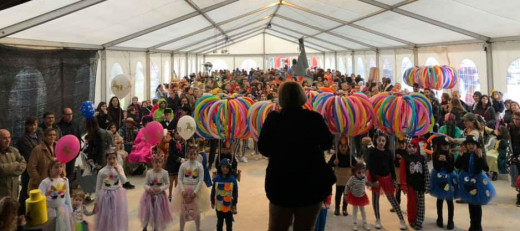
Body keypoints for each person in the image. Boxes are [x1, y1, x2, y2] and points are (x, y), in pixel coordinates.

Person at [258, 81, 335, 231]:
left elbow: (263, 148)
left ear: (281, 98)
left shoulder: (274, 119)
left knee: (277, 228)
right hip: (311, 183)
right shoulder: (314, 118)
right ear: (301, 96)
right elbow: (327, 143)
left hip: (281, 183)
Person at [366, 132, 407, 230]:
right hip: (375, 178)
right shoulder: (372, 152)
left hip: (387, 178)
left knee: (393, 200)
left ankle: (401, 220)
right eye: (379, 140)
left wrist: (394, 179)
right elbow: (370, 166)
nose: (381, 142)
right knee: (375, 200)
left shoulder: (388, 152)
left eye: (383, 140)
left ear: (386, 142)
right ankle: (378, 220)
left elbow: (391, 167)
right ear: (376, 140)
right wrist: (374, 180)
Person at [455, 135, 496, 231]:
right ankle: (472, 224)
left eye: (473, 144)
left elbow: (486, 168)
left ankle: (478, 226)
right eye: (469, 144)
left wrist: (480, 158)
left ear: (476, 145)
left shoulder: (479, 155)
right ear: (466, 145)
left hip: (478, 182)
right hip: (466, 180)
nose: (471, 146)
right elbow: (457, 165)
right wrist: (460, 156)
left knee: (477, 205)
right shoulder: (464, 155)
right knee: (470, 204)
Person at [172, 143, 210, 231]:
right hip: (184, 190)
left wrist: (195, 192)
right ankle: (181, 228)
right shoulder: (183, 165)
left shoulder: (199, 166)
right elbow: (180, 179)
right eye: (190, 154)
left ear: (197, 155)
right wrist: (182, 190)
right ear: (187, 154)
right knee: (183, 211)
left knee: (196, 211)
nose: (192, 156)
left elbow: (201, 180)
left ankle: (198, 228)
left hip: (196, 190)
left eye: (194, 154)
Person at [94, 150, 129, 231]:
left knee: (117, 215)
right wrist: (96, 202)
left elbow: (124, 181)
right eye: (109, 158)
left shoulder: (119, 168)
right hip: (106, 195)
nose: (112, 161)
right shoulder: (102, 171)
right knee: (107, 216)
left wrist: (119, 172)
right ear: (106, 159)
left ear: (116, 158)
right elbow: (98, 187)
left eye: (114, 158)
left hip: (117, 194)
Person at [400, 139, 430, 230]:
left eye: (414, 147)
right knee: (411, 204)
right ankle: (412, 220)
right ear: (407, 147)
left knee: (421, 204)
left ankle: (419, 220)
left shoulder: (422, 158)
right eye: (409, 147)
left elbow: (426, 172)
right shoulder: (405, 159)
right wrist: (404, 185)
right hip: (410, 185)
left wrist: (427, 185)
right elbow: (403, 173)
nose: (412, 149)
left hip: (420, 185)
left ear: (417, 147)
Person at [139, 153, 173, 231]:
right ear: (152, 162)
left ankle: (156, 228)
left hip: (160, 197)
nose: (157, 164)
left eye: (159, 162)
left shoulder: (164, 173)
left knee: (157, 213)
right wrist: (148, 188)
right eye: (156, 162)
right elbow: (145, 184)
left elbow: (168, 184)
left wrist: (161, 188)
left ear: (162, 163)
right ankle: (145, 226)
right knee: (147, 212)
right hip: (149, 196)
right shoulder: (149, 172)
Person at [16, 117, 42, 215]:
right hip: (28, 169)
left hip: (38, 168)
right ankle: (22, 212)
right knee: (26, 191)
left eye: (35, 124)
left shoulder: (39, 135)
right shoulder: (23, 139)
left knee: (35, 190)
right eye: (31, 125)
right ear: (26, 126)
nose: (33, 127)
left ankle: (33, 211)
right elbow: (30, 155)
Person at [430, 137, 457, 230]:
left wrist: (445, 161)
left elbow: (451, 169)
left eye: (447, 145)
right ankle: (439, 218)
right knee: (440, 199)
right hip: (438, 179)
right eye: (444, 145)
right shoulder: (435, 154)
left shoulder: (451, 155)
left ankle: (450, 221)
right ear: (440, 146)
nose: (446, 146)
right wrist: (439, 160)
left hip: (449, 178)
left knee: (450, 200)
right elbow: (436, 167)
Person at [39, 159, 74, 231]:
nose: (59, 169)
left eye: (61, 166)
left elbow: (67, 196)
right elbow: (39, 199)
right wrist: (45, 195)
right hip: (50, 211)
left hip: (63, 210)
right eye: (56, 167)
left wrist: (70, 211)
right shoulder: (45, 182)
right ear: (50, 168)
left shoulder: (64, 180)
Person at [327, 136, 356, 216]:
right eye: (341, 146)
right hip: (339, 179)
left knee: (346, 195)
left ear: (348, 147)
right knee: (338, 195)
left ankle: (344, 208)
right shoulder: (335, 156)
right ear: (338, 146)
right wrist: (334, 163)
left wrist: (354, 167)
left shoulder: (350, 156)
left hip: (347, 180)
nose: (343, 148)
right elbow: (328, 165)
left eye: (345, 146)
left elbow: (356, 166)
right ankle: (337, 208)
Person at [211, 159, 239, 231]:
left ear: (229, 168)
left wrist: (234, 203)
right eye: (223, 167)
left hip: (229, 205)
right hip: (219, 205)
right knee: (219, 222)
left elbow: (235, 193)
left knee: (229, 223)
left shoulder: (233, 180)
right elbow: (213, 190)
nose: (225, 169)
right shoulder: (216, 179)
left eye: (227, 167)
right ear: (220, 167)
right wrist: (212, 201)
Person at [0, 129, 26, 200]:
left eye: (9, 137)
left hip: (14, 191)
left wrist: (9, 171)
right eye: (4, 138)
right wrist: (15, 164)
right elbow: (1, 170)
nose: (8, 140)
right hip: (2, 192)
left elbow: (23, 164)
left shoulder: (14, 150)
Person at [344, 163, 372, 231]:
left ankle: (365, 222)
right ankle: (355, 223)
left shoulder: (364, 177)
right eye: (359, 172)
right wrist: (345, 194)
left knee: (363, 210)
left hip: (362, 196)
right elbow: (347, 186)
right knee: (355, 210)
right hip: (354, 196)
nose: (361, 174)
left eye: (363, 172)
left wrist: (372, 184)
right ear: (355, 172)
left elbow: (367, 183)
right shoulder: (352, 178)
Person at [57, 107, 82, 181]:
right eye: (67, 114)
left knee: (70, 173)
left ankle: (69, 190)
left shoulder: (75, 125)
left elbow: (78, 138)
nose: (70, 116)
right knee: (61, 172)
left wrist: (78, 151)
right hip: (62, 154)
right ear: (63, 115)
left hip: (72, 154)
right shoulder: (58, 126)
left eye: (71, 114)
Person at [166, 130, 185, 200]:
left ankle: (176, 195)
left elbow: (183, 152)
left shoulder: (183, 142)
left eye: (180, 134)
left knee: (177, 181)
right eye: (177, 133)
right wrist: (179, 158)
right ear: (174, 134)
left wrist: (183, 158)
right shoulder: (171, 142)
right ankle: (170, 194)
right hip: (171, 163)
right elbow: (171, 153)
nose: (178, 135)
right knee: (171, 181)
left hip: (178, 165)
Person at [508, 111, 520, 206]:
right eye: (514, 119)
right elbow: (510, 143)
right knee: (516, 176)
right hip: (514, 154)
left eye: (518, 119)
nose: (516, 121)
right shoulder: (511, 128)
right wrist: (512, 156)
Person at [392, 139, 407, 212]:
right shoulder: (396, 151)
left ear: (405, 144)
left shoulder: (407, 151)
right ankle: (397, 205)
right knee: (398, 189)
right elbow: (394, 161)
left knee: (407, 189)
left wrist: (402, 159)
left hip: (405, 173)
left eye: (403, 143)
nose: (401, 145)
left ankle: (411, 205)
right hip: (397, 171)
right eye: (400, 143)